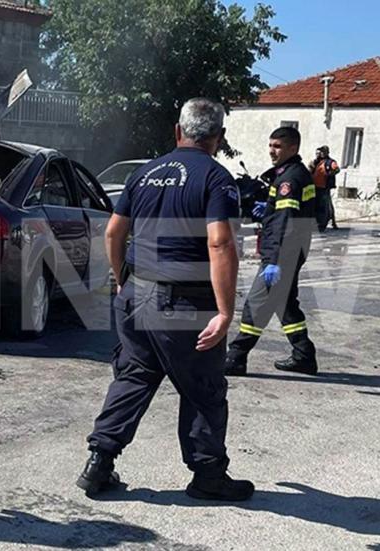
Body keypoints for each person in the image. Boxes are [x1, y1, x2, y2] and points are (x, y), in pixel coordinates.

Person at [77, 98, 253, 501]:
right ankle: (208, 476)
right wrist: (225, 311)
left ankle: (98, 463)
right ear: (219, 137)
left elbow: (113, 233)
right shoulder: (216, 178)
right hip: (184, 305)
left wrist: (122, 279)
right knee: (203, 389)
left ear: (178, 131)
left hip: (136, 295)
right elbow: (220, 242)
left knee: (134, 378)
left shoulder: (145, 172)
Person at [225, 127, 318, 376]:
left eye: (277, 146)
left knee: (257, 303)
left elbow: (285, 222)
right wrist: (266, 208)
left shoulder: (289, 179)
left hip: (282, 254)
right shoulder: (294, 174)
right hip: (292, 250)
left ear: (293, 148)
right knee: (285, 304)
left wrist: (273, 261)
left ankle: (236, 357)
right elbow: (286, 214)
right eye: (270, 145)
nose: (272, 151)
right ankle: (304, 355)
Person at [309, 145, 340, 232]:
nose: (320, 154)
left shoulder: (330, 162)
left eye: (322, 152)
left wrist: (329, 174)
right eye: (319, 152)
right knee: (316, 206)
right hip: (314, 187)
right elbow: (309, 170)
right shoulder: (316, 162)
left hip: (324, 188)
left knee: (324, 206)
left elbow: (337, 169)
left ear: (326, 152)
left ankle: (323, 224)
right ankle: (317, 223)